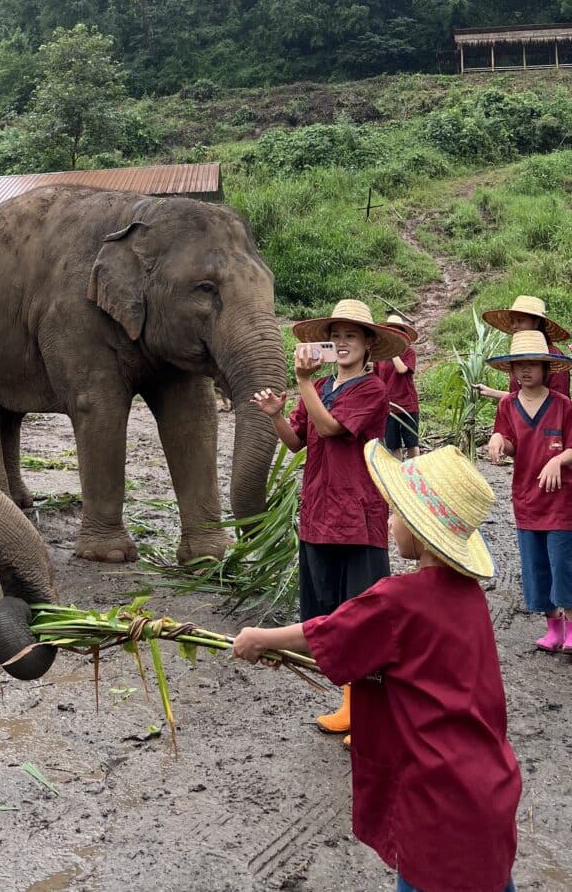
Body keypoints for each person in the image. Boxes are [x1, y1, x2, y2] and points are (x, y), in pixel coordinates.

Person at [233, 441, 521, 892]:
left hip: (436, 798)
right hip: (488, 785)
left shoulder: (397, 598)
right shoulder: (468, 596)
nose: (389, 522)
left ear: (422, 531)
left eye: (397, 514)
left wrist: (261, 638)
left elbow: (328, 633)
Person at [250, 298, 407, 739]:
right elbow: (298, 441)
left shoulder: (372, 390)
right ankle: (352, 704)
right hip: (319, 513)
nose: (341, 343)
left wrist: (302, 384)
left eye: (350, 337)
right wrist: (278, 416)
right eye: (335, 336)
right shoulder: (319, 387)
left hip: (358, 517)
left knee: (365, 617)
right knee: (332, 615)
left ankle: (375, 712)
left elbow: (334, 428)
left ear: (368, 345)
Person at [486, 329, 572, 653]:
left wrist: (558, 461)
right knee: (536, 566)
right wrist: (497, 441)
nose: (526, 370)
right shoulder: (507, 405)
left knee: (563, 563)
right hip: (526, 499)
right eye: (519, 365)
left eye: (533, 364)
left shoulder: (563, 405)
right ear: (511, 370)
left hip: (561, 501)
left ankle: (571, 626)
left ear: (546, 368)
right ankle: (553, 628)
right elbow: (509, 443)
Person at [475, 294, 570, 402]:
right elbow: (520, 397)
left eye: (520, 320)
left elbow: (560, 403)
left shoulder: (552, 357)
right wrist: (489, 391)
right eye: (512, 321)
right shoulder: (516, 355)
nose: (514, 326)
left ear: (536, 323)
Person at [374, 312, 420, 460]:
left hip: (408, 404)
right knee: (394, 445)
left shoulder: (409, 353)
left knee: (412, 443)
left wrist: (393, 352)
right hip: (388, 406)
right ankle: (398, 475)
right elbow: (374, 377)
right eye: (390, 332)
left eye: (397, 332)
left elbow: (402, 369)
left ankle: (416, 474)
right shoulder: (380, 357)